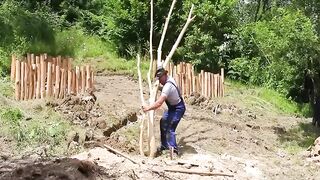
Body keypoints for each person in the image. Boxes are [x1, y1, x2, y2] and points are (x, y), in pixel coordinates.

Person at [142, 67, 186, 155]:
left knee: (170, 127)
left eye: (161, 77)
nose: (160, 80)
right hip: (172, 108)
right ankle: (164, 146)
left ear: (165, 75)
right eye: (159, 78)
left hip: (178, 108)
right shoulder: (168, 81)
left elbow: (159, 103)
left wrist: (148, 108)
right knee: (163, 122)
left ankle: (174, 151)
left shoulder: (168, 86)